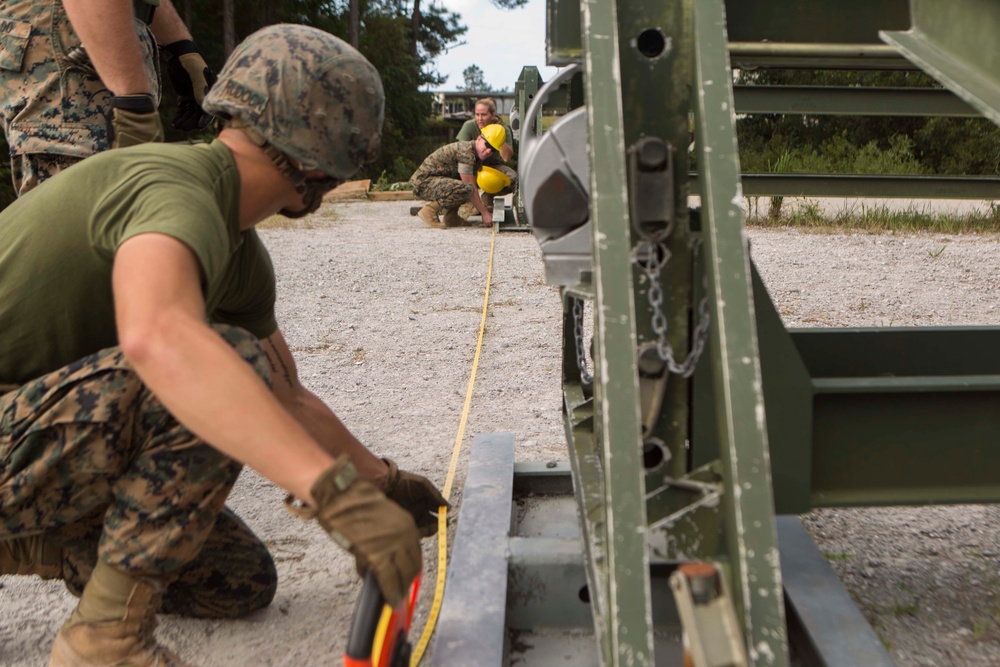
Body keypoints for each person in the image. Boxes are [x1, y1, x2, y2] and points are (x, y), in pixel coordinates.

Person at [0, 23, 445, 666]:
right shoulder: (170, 189)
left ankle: (34, 547)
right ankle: (105, 645)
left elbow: (286, 395)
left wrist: (379, 482)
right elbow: (162, 339)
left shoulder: (234, 243)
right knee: (219, 360)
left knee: (234, 579)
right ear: (326, 159)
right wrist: (333, 494)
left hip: (19, 435)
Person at [0, 0, 216, 196]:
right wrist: (133, 103)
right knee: (90, 211)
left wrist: (179, 47)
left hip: (85, 27)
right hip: (74, 32)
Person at [410, 124, 506, 229]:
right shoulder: (466, 152)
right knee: (467, 188)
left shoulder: (476, 157)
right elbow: (469, 186)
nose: (488, 151)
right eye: (487, 145)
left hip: (433, 181)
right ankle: (429, 211)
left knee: (467, 186)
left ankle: (451, 217)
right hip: (423, 183)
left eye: (493, 150)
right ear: (479, 138)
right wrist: (484, 213)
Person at [454, 97, 516, 214]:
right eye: (477, 114)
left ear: (493, 115)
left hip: (493, 167)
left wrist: (498, 135)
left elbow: (506, 158)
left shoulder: (503, 129)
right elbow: (459, 154)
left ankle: (488, 196)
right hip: (471, 167)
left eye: (483, 115)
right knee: (454, 176)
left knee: (514, 180)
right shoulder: (469, 126)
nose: (480, 119)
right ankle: (457, 206)